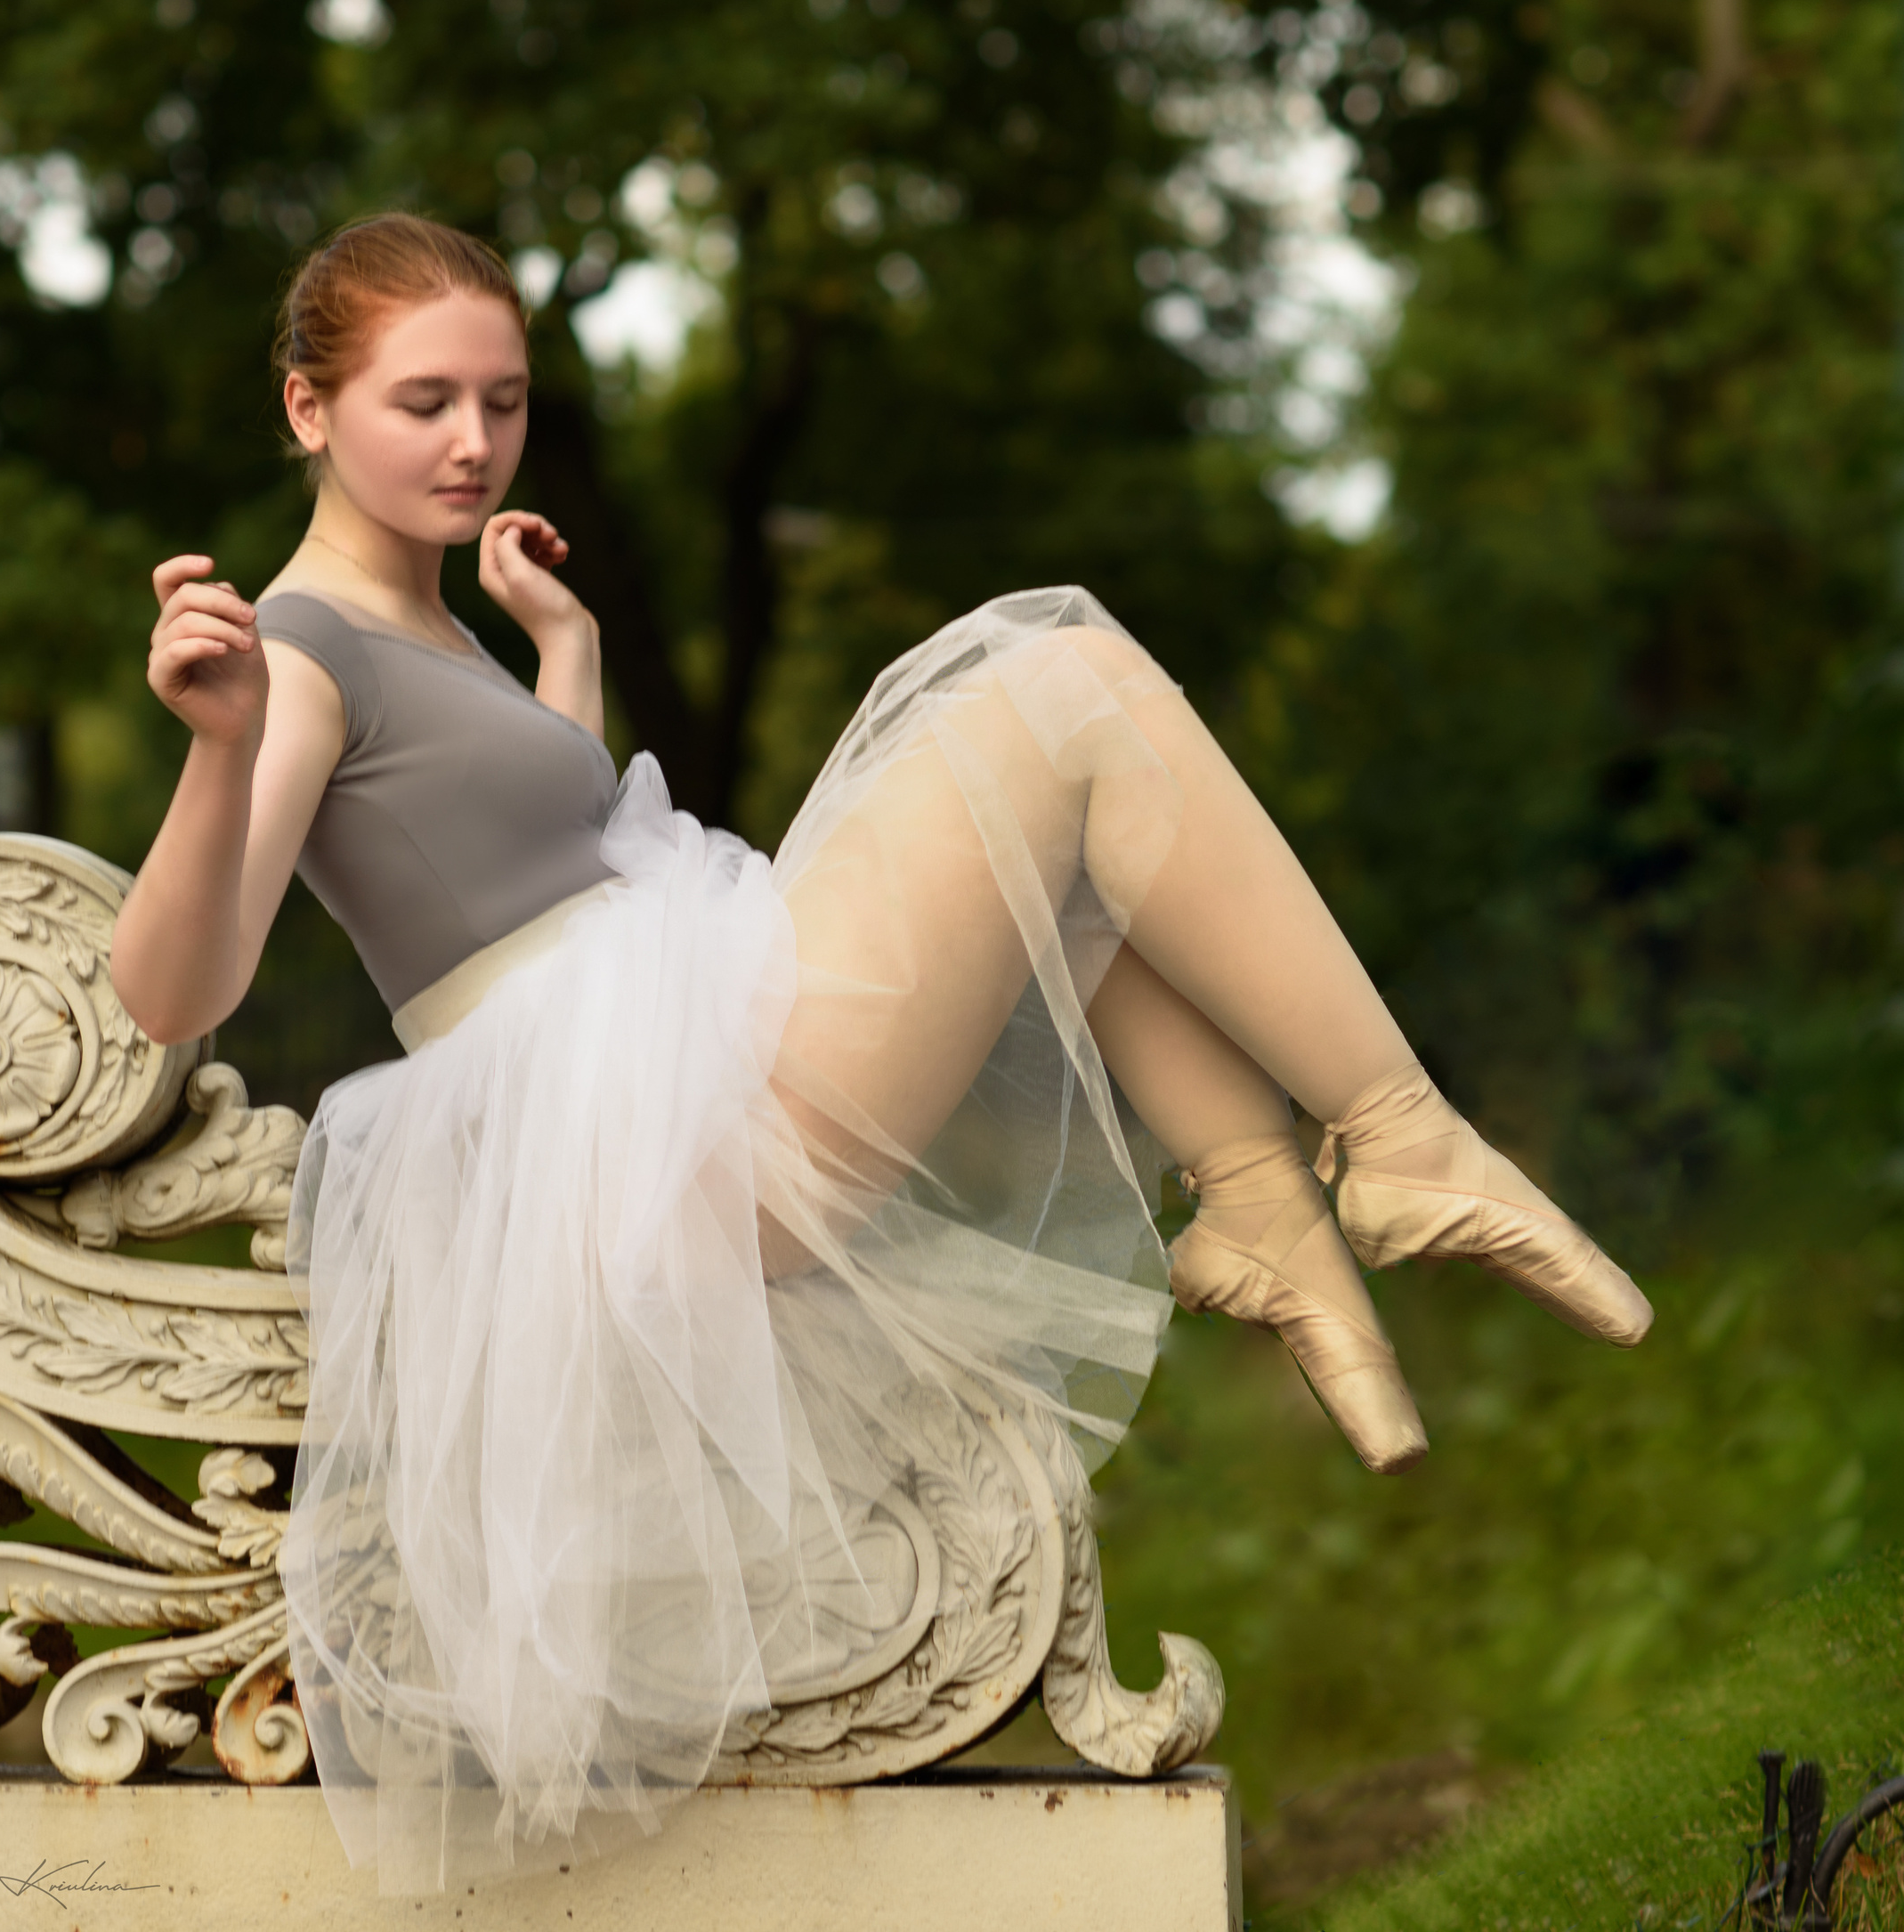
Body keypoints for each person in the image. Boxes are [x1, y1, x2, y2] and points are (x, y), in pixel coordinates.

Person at [109, 213, 1650, 1894]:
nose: (475, 442)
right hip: (641, 1137)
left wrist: (565, 651)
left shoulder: (431, 624)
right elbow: (176, 992)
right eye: (424, 403)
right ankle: (1394, 1142)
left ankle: (1268, 1203)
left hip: (654, 1070)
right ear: (309, 409)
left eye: (506, 398)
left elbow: (519, 859)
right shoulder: (304, 651)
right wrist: (222, 748)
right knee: (1060, 687)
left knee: (1065, 831)